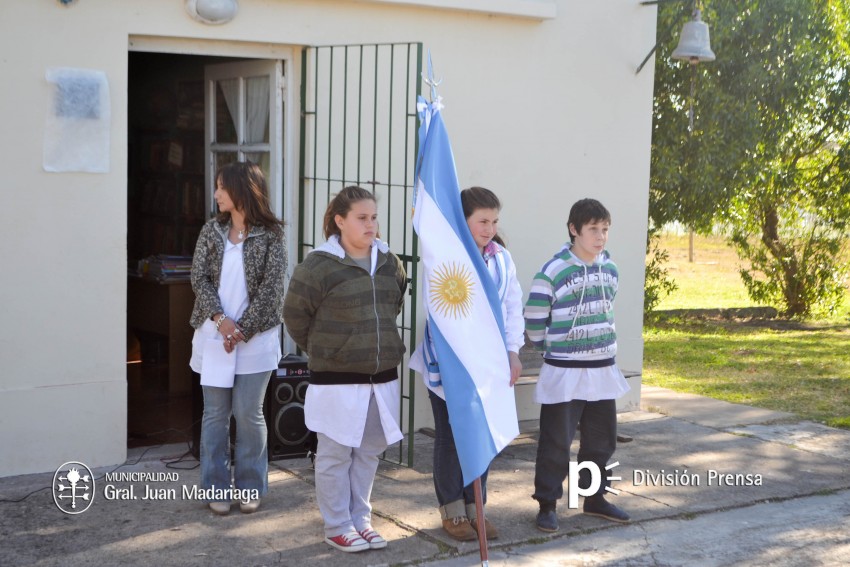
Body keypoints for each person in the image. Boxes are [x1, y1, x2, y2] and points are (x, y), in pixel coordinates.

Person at [283, 186, 407, 554]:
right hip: (336, 379)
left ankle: (360, 520)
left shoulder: (390, 262)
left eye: (374, 217)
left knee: (369, 452)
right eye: (362, 218)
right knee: (335, 453)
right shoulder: (318, 266)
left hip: (381, 377)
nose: (371, 225)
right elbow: (295, 317)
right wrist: (331, 348)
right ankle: (337, 525)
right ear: (340, 221)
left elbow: (392, 305)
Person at [410, 187, 524, 542]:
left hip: (488, 367)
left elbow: (511, 308)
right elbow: (442, 311)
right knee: (451, 438)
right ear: (464, 220)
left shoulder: (502, 258)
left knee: (481, 434)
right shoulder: (448, 258)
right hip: (452, 365)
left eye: (494, 221)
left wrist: (513, 350)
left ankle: (477, 506)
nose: (489, 228)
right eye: (482, 221)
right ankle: (452, 510)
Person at [524, 197, 631, 532]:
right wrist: (552, 351)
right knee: (556, 440)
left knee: (602, 440)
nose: (600, 237)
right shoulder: (552, 271)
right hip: (565, 371)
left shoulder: (610, 270)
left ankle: (595, 498)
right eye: (592, 229)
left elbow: (606, 307)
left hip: (602, 369)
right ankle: (547, 504)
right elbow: (534, 322)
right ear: (574, 230)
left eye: (605, 230)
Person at [189, 161, 286, 516]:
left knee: (248, 413)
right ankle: (215, 486)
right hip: (215, 335)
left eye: (221, 187)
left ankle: (250, 486)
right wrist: (221, 321)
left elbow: (272, 290)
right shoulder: (210, 232)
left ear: (241, 191)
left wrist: (242, 328)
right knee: (215, 414)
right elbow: (198, 279)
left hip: (255, 339)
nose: (216, 194)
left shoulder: (272, 236)